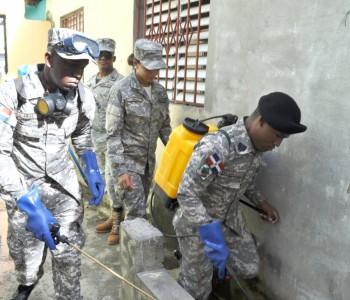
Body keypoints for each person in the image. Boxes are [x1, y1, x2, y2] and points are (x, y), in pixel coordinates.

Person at [0, 28, 105, 300]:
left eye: (82, 66)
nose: (79, 73)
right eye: (70, 65)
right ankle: (27, 286)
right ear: (49, 59)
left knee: (69, 257)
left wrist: (92, 167)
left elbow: (82, 134)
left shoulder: (83, 97)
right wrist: (27, 203)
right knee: (27, 259)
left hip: (65, 192)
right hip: (25, 192)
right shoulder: (13, 93)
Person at [172, 92, 307, 300]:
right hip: (197, 224)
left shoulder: (256, 147)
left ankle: (217, 275)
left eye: (283, 138)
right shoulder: (218, 147)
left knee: (249, 267)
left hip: (229, 220)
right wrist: (209, 234)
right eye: (278, 135)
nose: (278, 144)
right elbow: (186, 193)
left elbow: (245, 181)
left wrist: (262, 203)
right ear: (260, 122)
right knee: (196, 291)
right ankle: (193, 268)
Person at [106, 39, 172, 220]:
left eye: (157, 68)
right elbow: (112, 135)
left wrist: (177, 152)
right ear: (136, 63)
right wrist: (121, 170)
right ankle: (132, 247)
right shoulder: (120, 90)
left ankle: (131, 244)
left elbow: (164, 127)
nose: (154, 73)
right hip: (129, 163)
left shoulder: (160, 92)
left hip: (148, 164)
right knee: (137, 215)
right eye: (149, 68)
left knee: (141, 209)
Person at [86, 38, 124, 245]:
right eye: (99, 54)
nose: (102, 58)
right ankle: (113, 215)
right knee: (103, 179)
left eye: (107, 55)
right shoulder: (90, 82)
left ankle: (118, 221)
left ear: (113, 58)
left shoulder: (121, 82)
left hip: (113, 140)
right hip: (95, 139)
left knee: (113, 180)